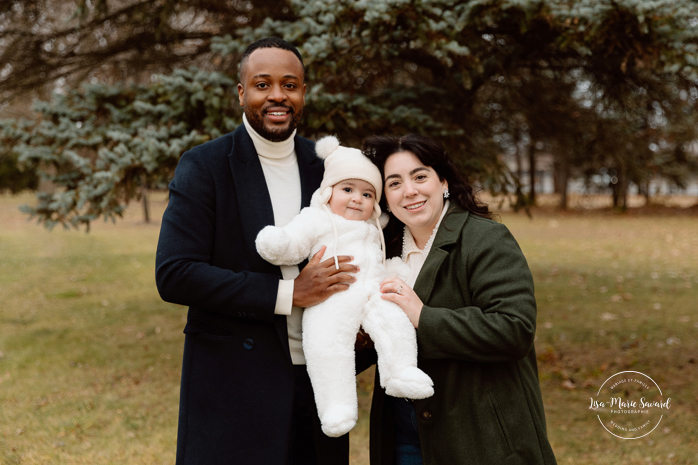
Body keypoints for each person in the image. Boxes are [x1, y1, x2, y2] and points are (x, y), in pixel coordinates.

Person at [155, 38, 361, 465]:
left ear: (303, 92)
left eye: (290, 84)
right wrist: (288, 295)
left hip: (317, 383)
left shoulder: (328, 169)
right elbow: (175, 273)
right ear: (241, 92)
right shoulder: (205, 165)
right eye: (262, 84)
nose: (277, 96)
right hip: (234, 382)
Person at [362, 135, 557, 465]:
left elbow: (514, 329)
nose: (409, 191)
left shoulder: (485, 239)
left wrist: (422, 316)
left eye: (420, 176)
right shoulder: (382, 252)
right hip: (403, 433)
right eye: (394, 183)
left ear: (444, 182)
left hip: (480, 435)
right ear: (385, 197)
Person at [255, 136, 434, 438]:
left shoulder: (372, 229)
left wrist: (396, 271)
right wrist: (279, 243)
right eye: (347, 190)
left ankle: (400, 371)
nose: (356, 199)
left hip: (373, 292)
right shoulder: (318, 218)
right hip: (332, 297)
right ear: (328, 192)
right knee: (327, 345)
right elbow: (295, 241)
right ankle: (336, 406)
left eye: (367, 194)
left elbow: (379, 260)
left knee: (394, 322)